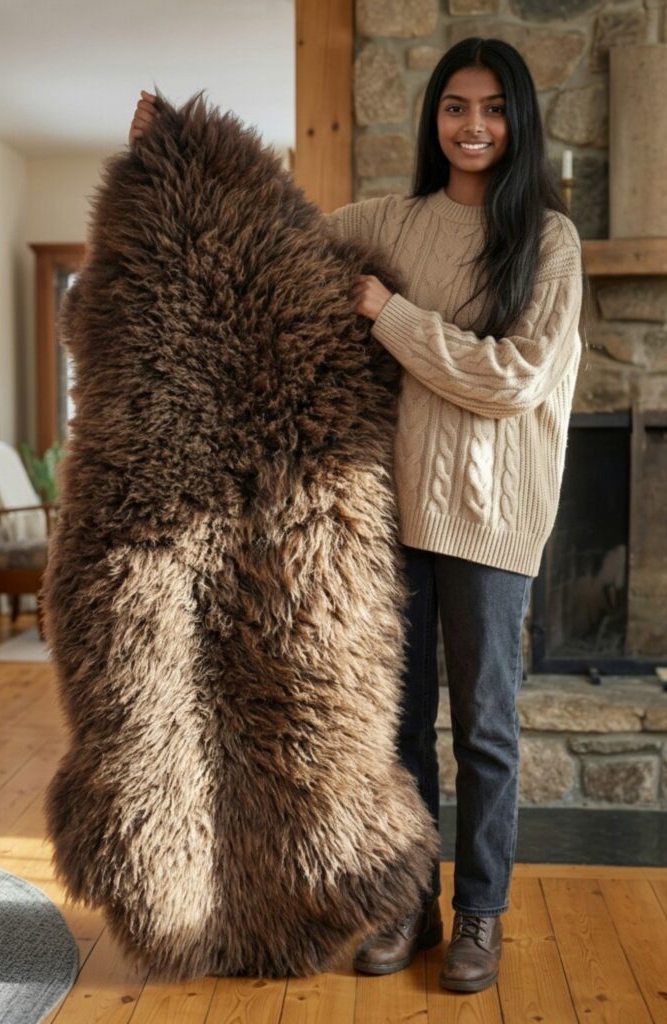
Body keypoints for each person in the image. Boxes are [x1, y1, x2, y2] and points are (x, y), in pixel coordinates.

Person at [128, 36, 588, 994]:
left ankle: (482, 915)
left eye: (492, 108)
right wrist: (169, 151)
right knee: (397, 728)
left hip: (491, 524)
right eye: (455, 107)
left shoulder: (549, 241)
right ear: (434, 118)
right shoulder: (390, 220)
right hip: (386, 520)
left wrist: (392, 315)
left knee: (486, 730)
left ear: (519, 121)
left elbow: (513, 379)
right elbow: (269, 231)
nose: (472, 125)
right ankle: (408, 905)